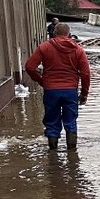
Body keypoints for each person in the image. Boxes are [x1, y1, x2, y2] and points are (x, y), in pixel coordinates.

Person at [25, 23, 91, 151]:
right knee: (70, 121)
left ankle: (53, 152)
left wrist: (41, 81)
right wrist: (84, 94)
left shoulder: (44, 47)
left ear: (54, 33)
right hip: (70, 91)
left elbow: (29, 67)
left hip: (51, 90)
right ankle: (72, 154)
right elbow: (86, 74)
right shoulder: (78, 50)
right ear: (69, 35)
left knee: (52, 121)